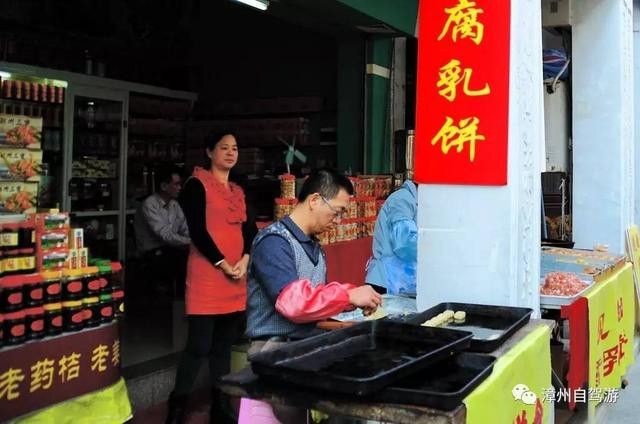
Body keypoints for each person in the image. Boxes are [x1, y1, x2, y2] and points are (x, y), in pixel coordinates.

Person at [243, 168, 382, 423]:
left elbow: (314, 309)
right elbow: (294, 304)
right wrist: (349, 294)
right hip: (274, 350)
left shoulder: (316, 248)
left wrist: (348, 325)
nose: (338, 220)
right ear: (315, 200)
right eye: (338, 211)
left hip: (304, 345)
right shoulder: (274, 242)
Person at [166, 132, 257, 424]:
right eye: (223, 148)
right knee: (198, 346)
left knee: (222, 349)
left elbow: (250, 230)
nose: (231, 153)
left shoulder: (238, 190)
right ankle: (176, 409)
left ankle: (221, 408)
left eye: (235, 148)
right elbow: (197, 231)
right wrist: (222, 263)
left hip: (236, 278)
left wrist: (244, 260)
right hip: (207, 277)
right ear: (209, 151)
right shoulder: (196, 185)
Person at [133, 165, 189, 296]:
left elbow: (184, 228)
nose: (180, 188)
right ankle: (178, 303)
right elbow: (165, 235)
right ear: (164, 186)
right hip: (152, 252)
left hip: (170, 248)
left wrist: (193, 241)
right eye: (176, 184)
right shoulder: (150, 204)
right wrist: (190, 242)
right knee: (182, 262)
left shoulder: (174, 204)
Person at [365, 178, 418, 295]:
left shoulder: (414, 201)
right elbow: (404, 242)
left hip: (401, 282)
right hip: (387, 281)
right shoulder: (402, 199)